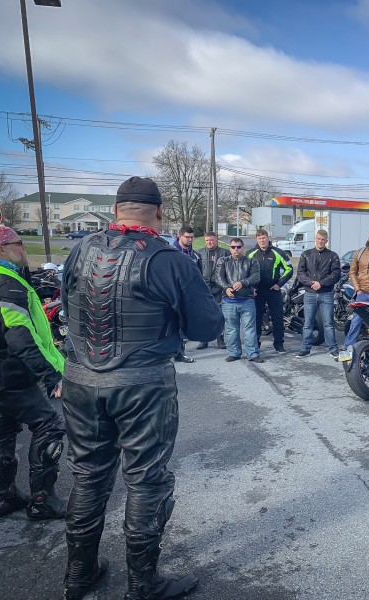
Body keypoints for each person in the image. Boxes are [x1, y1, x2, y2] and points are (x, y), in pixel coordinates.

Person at [61, 176, 223, 600]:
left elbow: (67, 305)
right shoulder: (169, 259)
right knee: (146, 482)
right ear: (160, 213)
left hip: (80, 378)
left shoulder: (79, 249)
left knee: (88, 477)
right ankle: (142, 586)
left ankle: (78, 576)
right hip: (141, 384)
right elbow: (207, 326)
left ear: (116, 210)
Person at [0, 226, 67, 521]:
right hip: (8, 372)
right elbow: (19, 335)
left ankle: (4, 498)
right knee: (49, 425)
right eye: (18, 243)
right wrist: (50, 374)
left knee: (1, 430)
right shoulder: (4, 282)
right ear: (1, 249)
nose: (24, 248)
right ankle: (42, 501)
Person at [216, 237, 263, 363]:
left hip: (246, 300)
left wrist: (243, 282)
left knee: (250, 329)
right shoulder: (223, 261)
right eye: (233, 247)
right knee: (231, 329)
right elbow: (218, 277)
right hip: (228, 301)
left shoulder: (251, 261)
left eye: (238, 247)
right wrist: (226, 288)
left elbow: (256, 277)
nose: (236, 249)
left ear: (243, 248)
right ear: (230, 248)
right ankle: (234, 353)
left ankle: (252, 354)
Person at [296, 229, 341, 358]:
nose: (320, 241)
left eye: (323, 240)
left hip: (326, 293)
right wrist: (311, 283)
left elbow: (336, 274)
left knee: (328, 323)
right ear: (315, 239)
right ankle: (305, 349)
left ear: (326, 241)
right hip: (310, 293)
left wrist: (321, 283)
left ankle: (333, 349)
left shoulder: (333, 256)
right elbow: (300, 273)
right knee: (308, 323)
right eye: (318, 239)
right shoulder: (306, 254)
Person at [249, 229, 293, 353]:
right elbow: (245, 271)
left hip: (273, 290)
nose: (262, 240)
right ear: (257, 240)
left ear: (268, 238)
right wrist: (251, 288)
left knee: (277, 317)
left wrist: (279, 284)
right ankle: (255, 344)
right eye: (259, 238)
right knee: (256, 318)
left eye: (264, 238)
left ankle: (279, 344)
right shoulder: (250, 253)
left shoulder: (278, 252)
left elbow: (289, 269)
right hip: (257, 291)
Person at [172, 226, 201, 363]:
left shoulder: (195, 255)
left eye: (192, 237)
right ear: (180, 236)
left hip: (189, 295)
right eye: (187, 237)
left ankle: (180, 352)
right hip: (172, 294)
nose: (190, 240)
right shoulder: (170, 252)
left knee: (184, 324)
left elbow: (199, 276)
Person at [196, 231, 229, 350]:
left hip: (219, 287)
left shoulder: (225, 253)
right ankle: (204, 339)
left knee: (219, 314)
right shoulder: (199, 252)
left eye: (211, 240)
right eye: (207, 241)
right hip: (204, 287)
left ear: (216, 240)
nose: (209, 242)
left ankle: (220, 338)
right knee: (204, 315)